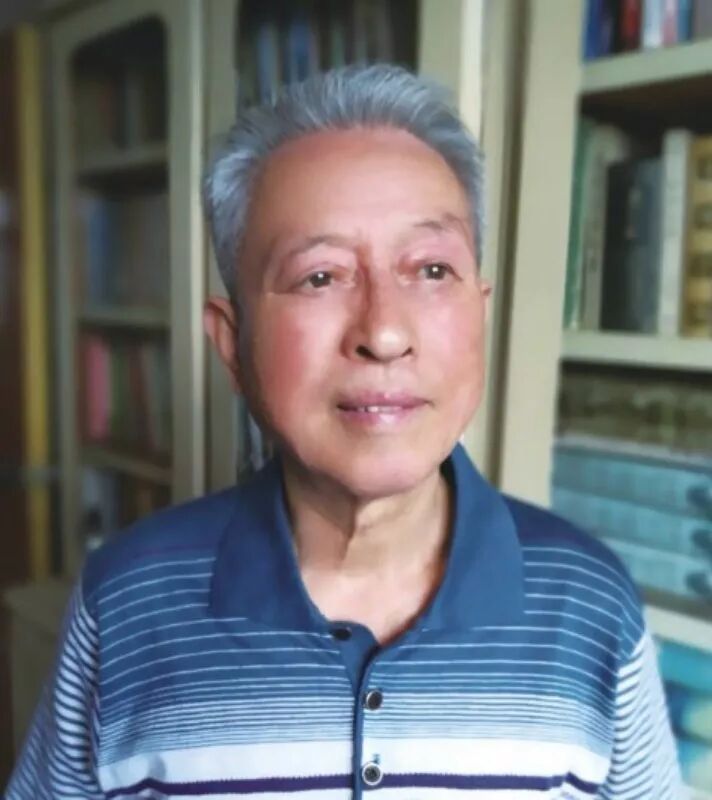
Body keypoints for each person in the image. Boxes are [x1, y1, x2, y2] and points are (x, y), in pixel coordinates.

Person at [6, 64, 683, 799]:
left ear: (480, 314)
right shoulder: (125, 601)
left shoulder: (590, 602)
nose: (384, 333)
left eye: (432, 269)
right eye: (320, 277)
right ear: (232, 344)